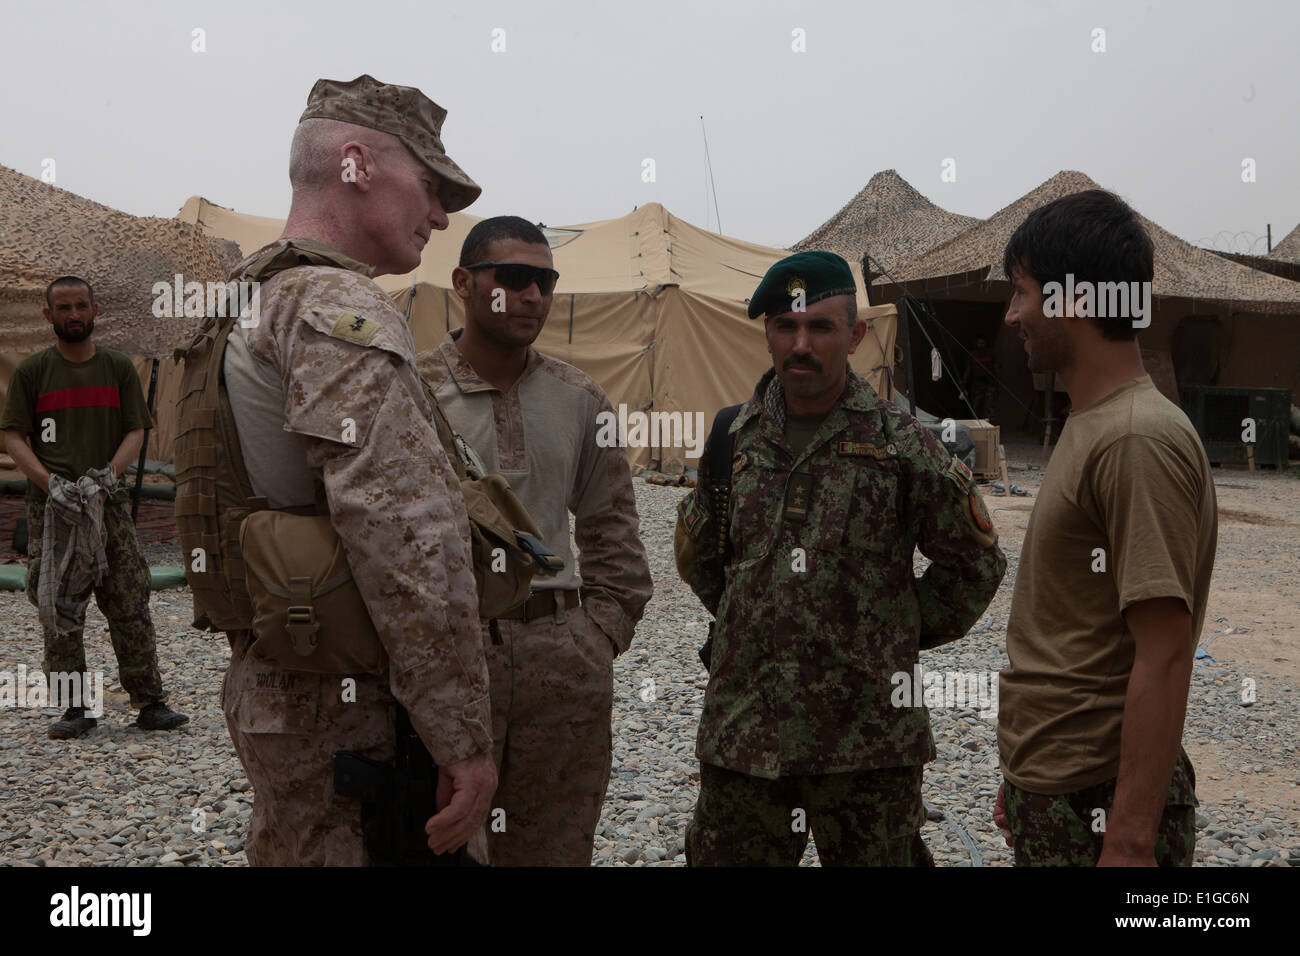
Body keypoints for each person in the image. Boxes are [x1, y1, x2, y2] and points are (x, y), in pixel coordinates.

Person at [175, 74, 496, 865]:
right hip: (359, 721)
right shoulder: (330, 305)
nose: (442, 215)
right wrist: (461, 737)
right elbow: (400, 530)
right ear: (356, 164)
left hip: (285, 693)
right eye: (429, 185)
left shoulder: (247, 297)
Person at [674, 250, 1006, 866]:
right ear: (768, 333)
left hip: (869, 747)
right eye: (786, 327)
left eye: (820, 327)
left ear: (853, 335)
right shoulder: (730, 438)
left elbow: (975, 564)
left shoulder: (901, 443)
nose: (801, 344)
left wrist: (892, 627)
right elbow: (705, 562)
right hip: (746, 742)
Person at [418, 216, 653, 866]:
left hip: (562, 666)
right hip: (448, 664)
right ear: (464, 283)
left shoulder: (582, 400)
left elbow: (614, 536)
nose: (533, 296)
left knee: (555, 850)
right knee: (444, 846)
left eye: (544, 281)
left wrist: (595, 637)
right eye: (514, 279)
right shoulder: (410, 393)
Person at [994, 189, 1217, 867]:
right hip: (1061, 791)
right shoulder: (1095, 422)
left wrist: (1127, 837)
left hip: (1096, 804)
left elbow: (1166, 651)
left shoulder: (1133, 438)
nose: (1012, 315)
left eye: (1022, 292)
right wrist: (1026, 779)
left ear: (1075, 302)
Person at [2, 276, 188, 740]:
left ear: (94, 309)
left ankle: (150, 703)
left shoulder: (118, 368)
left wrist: (108, 477)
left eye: (80, 306)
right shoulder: (32, 373)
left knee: (130, 600)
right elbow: (11, 436)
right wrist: (51, 484)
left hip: (109, 507)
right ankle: (73, 710)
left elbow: (136, 430)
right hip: (54, 510)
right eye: (63, 308)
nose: (73, 315)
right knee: (59, 609)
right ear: (49, 315)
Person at [962, 335, 998, 420]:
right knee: (976, 404)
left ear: (985, 344)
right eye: (979, 343)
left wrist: (997, 380)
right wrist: (964, 383)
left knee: (989, 404)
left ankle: (988, 423)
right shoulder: (972, 355)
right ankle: (975, 422)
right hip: (977, 383)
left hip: (990, 381)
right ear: (976, 344)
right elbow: (968, 370)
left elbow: (996, 367)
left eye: (982, 343)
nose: (981, 345)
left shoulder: (991, 353)